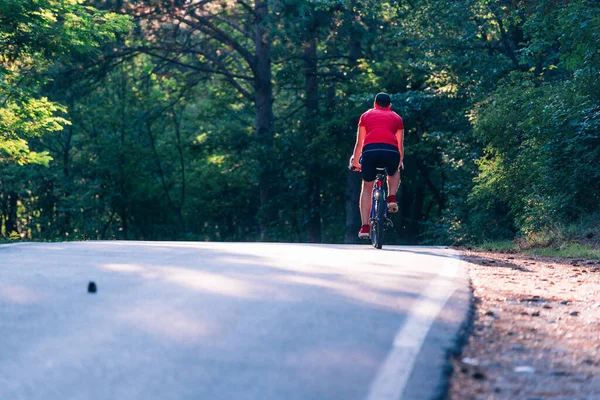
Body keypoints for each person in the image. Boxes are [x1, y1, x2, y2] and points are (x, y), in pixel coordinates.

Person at [349, 92, 404, 239]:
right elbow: (400, 145)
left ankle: (365, 227)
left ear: (375, 104)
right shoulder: (397, 118)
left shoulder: (366, 115)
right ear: (390, 105)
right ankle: (391, 197)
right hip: (391, 151)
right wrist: (399, 161)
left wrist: (355, 162)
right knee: (395, 169)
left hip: (370, 152)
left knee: (367, 188)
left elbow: (360, 142)